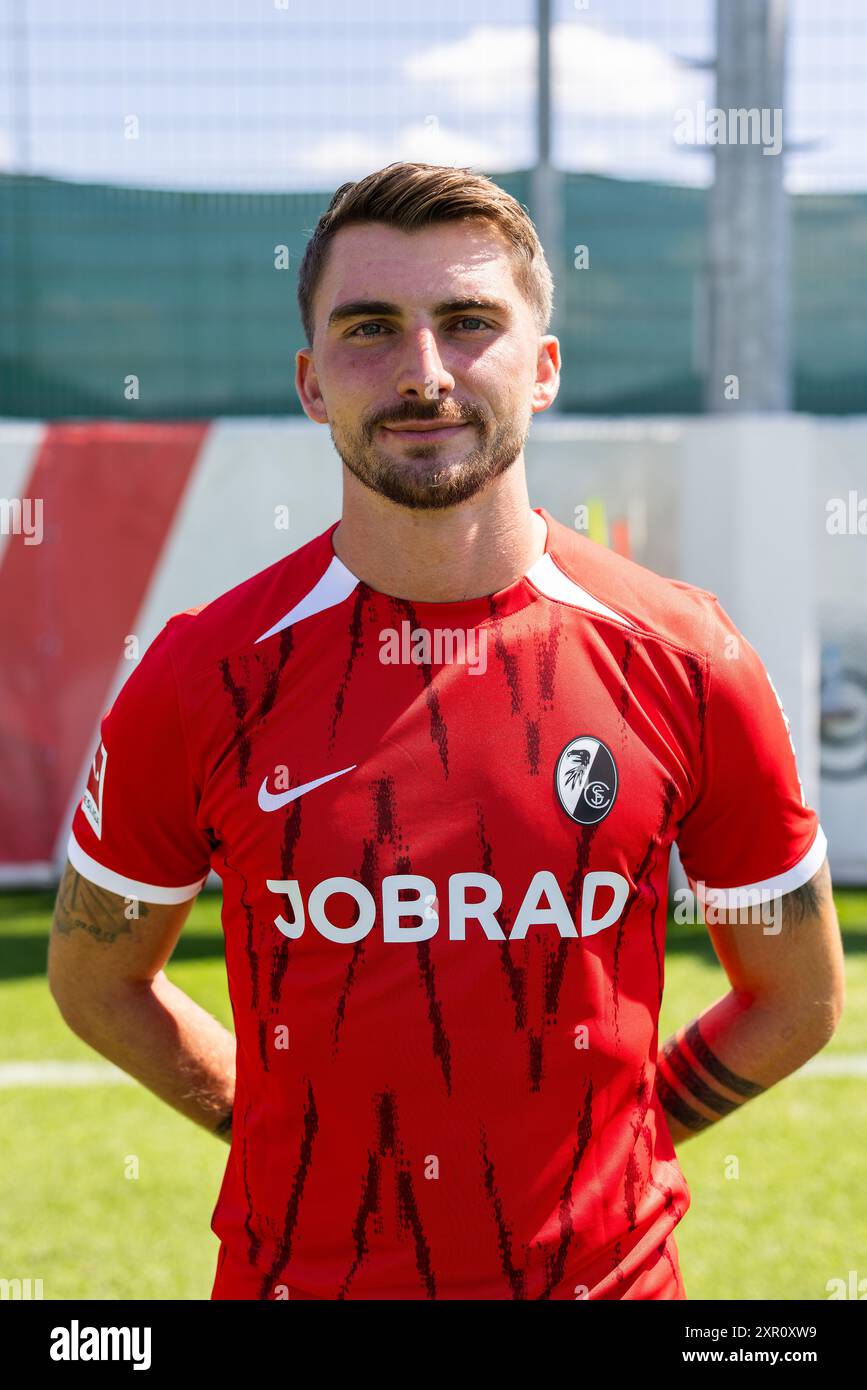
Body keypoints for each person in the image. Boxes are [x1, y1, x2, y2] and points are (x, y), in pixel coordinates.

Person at [49, 162, 845, 1301]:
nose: (424, 373)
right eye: (369, 330)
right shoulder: (200, 675)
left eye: (469, 323)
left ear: (546, 367)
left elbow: (800, 997)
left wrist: (623, 1139)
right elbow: (96, 979)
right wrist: (275, 1129)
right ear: (312, 382)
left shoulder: (688, 658)